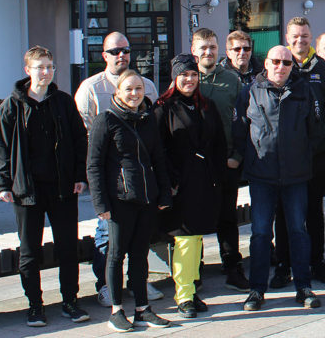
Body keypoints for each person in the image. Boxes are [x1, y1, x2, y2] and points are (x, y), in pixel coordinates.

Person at [0, 46, 90, 327]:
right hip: (27, 191)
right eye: (40, 67)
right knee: (29, 252)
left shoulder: (63, 102)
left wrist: (80, 176)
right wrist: (3, 183)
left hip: (63, 189)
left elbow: (80, 139)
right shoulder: (12, 105)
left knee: (68, 247)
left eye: (50, 67)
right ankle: (35, 306)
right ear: (28, 71)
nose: (46, 72)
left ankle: (70, 300)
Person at [74, 31, 162, 306]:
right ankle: (106, 287)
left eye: (125, 49)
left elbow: (152, 126)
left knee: (138, 239)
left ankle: (138, 286)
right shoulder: (90, 87)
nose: (120, 55)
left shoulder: (146, 84)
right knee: (107, 238)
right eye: (114, 51)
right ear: (104, 55)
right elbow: (82, 133)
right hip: (109, 175)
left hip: (139, 178)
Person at [234, 46, 323, 312]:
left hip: (296, 175)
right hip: (262, 176)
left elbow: (316, 131)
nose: (281, 67)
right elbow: (239, 130)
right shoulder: (250, 91)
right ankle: (256, 290)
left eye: (286, 62)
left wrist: (304, 158)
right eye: (276, 61)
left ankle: (303, 287)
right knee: (260, 233)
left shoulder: (304, 90)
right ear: (266, 63)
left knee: (298, 231)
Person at [87, 70, 172, 332]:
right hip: (119, 200)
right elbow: (94, 165)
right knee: (115, 255)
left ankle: (142, 309)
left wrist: (164, 193)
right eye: (129, 89)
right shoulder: (106, 120)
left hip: (146, 199)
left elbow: (158, 158)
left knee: (139, 254)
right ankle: (116, 310)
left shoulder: (147, 119)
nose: (135, 94)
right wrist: (101, 205)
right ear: (117, 92)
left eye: (139, 89)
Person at [154, 54, 225, 318]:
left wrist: (217, 176)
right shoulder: (163, 108)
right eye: (184, 75)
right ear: (175, 77)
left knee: (196, 238)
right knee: (184, 239)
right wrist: (169, 182)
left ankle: (192, 290)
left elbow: (218, 143)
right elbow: (157, 150)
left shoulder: (207, 105)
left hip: (204, 183)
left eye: (193, 74)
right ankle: (183, 295)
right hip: (179, 185)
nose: (189, 79)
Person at [273, 17, 325, 287]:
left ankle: (317, 263)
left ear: (311, 38)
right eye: (296, 36)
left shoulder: (324, 69)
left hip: (316, 155)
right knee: (284, 212)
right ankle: (283, 266)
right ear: (287, 38)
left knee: (314, 211)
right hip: (285, 157)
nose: (300, 41)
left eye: (305, 36)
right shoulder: (279, 67)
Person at [191, 28, 249, 291]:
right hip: (196, 167)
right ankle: (194, 271)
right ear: (194, 51)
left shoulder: (232, 80)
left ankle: (232, 267)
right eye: (203, 47)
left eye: (212, 47)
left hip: (226, 163)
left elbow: (245, 122)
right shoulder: (186, 80)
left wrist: (237, 156)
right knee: (195, 218)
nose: (208, 52)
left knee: (227, 218)